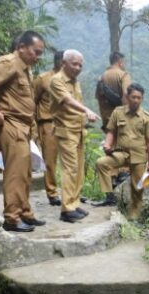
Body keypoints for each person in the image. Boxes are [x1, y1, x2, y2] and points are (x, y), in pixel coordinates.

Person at [0, 30, 46, 233]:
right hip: (12, 124)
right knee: (15, 173)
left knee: (25, 173)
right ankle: (12, 218)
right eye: (35, 52)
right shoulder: (10, 62)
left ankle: (25, 212)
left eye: (40, 53)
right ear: (22, 47)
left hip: (23, 126)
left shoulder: (25, 68)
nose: (37, 56)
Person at [48, 49, 100, 223]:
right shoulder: (56, 81)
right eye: (74, 64)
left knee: (78, 169)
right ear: (64, 63)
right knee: (70, 169)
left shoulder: (75, 82)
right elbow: (67, 101)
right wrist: (87, 110)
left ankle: (74, 202)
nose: (78, 68)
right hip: (66, 130)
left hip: (78, 130)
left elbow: (76, 101)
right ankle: (67, 209)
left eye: (80, 65)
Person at [93, 83, 149, 220]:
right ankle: (110, 195)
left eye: (139, 98)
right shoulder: (118, 112)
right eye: (133, 97)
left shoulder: (146, 117)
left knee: (137, 188)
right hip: (121, 153)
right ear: (127, 97)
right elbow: (111, 132)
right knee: (101, 163)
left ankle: (133, 216)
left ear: (142, 98)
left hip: (139, 157)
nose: (136, 100)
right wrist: (107, 145)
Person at [33, 50, 64, 206]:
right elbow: (33, 101)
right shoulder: (43, 79)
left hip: (66, 124)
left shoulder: (70, 80)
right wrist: (33, 128)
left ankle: (70, 192)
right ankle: (52, 193)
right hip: (48, 123)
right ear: (59, 62)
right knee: (50, 160)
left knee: (70, 161)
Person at [96, 51, 131, 131]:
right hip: (121, 121)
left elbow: (99, 99)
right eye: (124, 61)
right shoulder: (123, 75)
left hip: (107, 121)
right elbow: (126, 95)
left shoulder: (102, 77)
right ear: (120, 61)